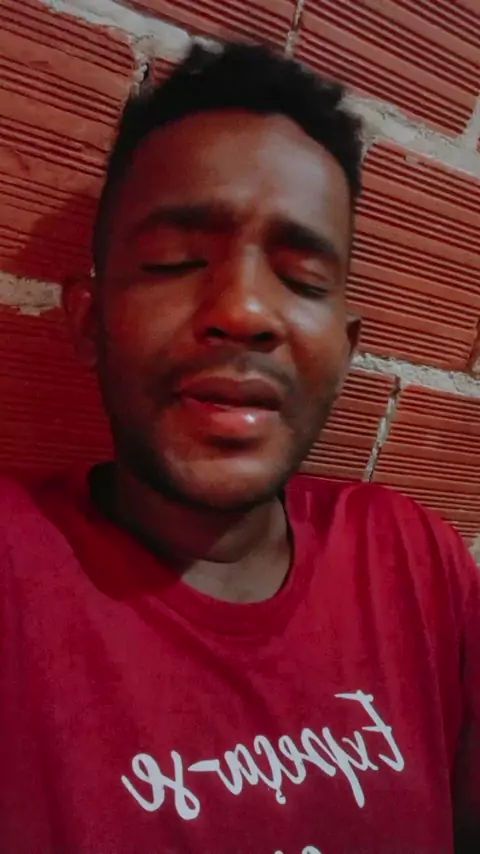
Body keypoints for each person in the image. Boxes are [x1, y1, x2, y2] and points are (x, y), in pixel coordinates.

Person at [0, 40, 478, 854]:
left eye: (304, 279)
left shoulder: (411, 559)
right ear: (88, 319)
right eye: (176, 261)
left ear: (346, 350)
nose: (245, 310)